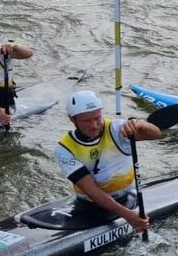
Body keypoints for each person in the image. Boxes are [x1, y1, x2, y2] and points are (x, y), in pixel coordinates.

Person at [54, 90, 161, 231]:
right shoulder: (64, 149)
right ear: (72, 119)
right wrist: (129, 217)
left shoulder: (117, 129)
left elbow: (156, 134)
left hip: (127, 198)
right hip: (90, 206)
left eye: (97, 118)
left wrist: (139, 125)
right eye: (86, 120)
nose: (94, 125)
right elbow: (92, 191)